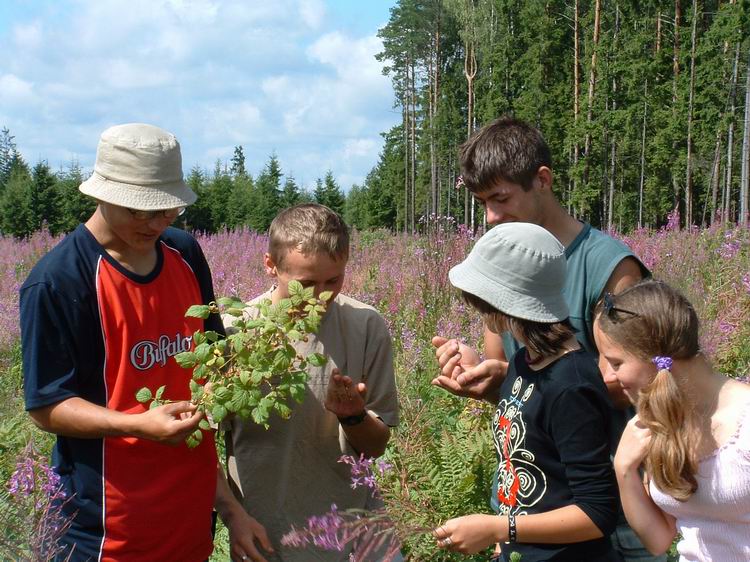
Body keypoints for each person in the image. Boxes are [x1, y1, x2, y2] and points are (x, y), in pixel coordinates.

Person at [20, 123, 269, 562]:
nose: (156, 223)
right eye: (141, 211)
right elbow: (47, 405)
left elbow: (212, 369)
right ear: (103, 194)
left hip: (190, 520)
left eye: (168, 210)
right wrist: (137, 425)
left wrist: (230, 509)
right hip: (106, 532)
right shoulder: (59, 281)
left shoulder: (185, 254)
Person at [431, 116, 657, 561]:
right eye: (482, 203)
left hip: (610, 507)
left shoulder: (610, 267)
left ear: (542, 181)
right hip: (536, 511)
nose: (492, 216)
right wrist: (481, 372)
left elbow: (644, 380)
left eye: (501, 198)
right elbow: (505, 367)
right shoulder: (505, 265)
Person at [432, 222, 619, 561]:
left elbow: (597, 513)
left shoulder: (570, 385)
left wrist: (499, 528)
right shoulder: (524, 361)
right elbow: (531, 445)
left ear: (502, 303)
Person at [224, 203, 399, 562]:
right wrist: (233, 516)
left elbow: (376, 446)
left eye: (333, 280)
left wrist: (353, 416)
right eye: (305, 284)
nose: (321, 296)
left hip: (356, 533)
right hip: (268, 536)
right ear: (270, 265)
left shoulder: (366, 326)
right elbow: (194, 445)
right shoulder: (234, 332)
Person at [594, 280, 750, 562]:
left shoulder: (745, 421)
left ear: (656, 356)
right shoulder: (660, 422)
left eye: (615, 363)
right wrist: (624, 470)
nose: (607, 377)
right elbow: (659, 539)